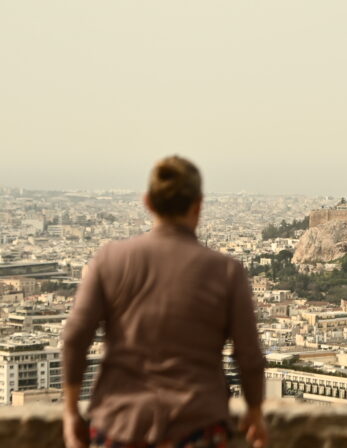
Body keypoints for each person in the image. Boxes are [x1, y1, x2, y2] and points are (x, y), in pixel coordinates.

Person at [62, 156, 268, 448]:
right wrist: (255, 413)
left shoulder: (109, 260)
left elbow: (74, 337)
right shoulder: (225, 270)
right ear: (198, 205)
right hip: (198, 426)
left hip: (119, 426)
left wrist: (71, 413)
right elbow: (249, 356)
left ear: (148, 202)